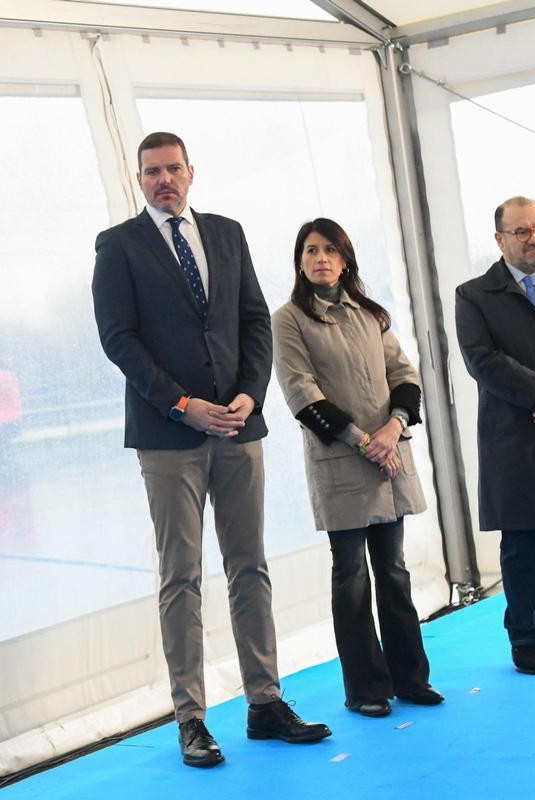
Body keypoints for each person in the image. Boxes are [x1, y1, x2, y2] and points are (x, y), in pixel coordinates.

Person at [91, 131, 330, 769]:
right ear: (139, 180)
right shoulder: (118, 245)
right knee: (182, 577)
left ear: (191, 172)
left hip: (239, 427)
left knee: (250, 566)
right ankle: (191, 719)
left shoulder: (226, 233)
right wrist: (181, 403)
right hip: (169, 435)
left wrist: (251, 393)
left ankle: (265, 703)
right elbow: (118, 339)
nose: (164, 180)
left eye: (173, 168)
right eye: (152, 172)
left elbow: (255, 322)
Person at [272, 217, 443, 717]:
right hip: (342, 463)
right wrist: (364, 441)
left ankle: (411, 679)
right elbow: (301, 393)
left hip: (389, 458)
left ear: (345, 259)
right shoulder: (288, 320)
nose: (320, 258)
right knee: (350, 577)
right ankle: (366, 689)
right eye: (310, 250)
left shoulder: (371, 314)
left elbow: (404, 375)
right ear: (299, 262)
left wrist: (393, 428)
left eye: (330, 250)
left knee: (394, 571)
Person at [455, 196, 535, 676]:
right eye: (521, 231)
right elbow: (482, 361)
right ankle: (524, 637)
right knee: (521, 544)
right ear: (499, 240)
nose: (533, 238)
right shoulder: (474, 296)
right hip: (515, 436)